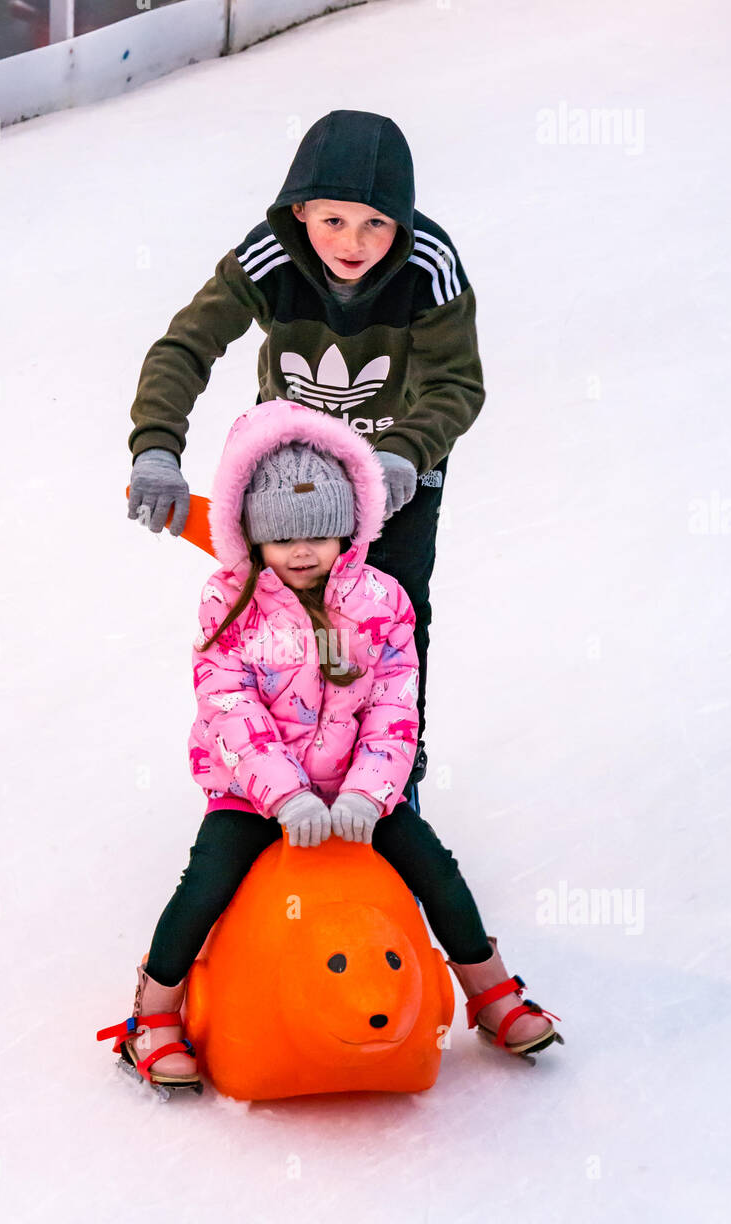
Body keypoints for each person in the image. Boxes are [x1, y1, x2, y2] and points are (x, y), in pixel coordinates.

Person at [97, 402, 561, 1092]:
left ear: (350, 525)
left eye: (320, 533)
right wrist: (282, 795)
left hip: (354, 791)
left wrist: (367, 794)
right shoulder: (229, 603)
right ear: (251, 534)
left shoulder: (382, 601)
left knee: (433, 868)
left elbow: (394, 706)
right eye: (283, 537)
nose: (304, 551)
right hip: (249, 794)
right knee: (206, 884)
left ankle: (489, 992)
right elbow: (230, 707)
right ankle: (154, 1014)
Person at [126, 109, 486, 793]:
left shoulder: (428, 263)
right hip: (293, 470)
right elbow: (186, 347)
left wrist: (407, 454)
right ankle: (275, 763)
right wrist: (157, 449)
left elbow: (456, 384)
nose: (353, 242)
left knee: (391, 612)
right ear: (299, 213)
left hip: (397, 469)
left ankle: (391, 769)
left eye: (376, 224)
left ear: (401, 225)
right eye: (333, 221)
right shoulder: (268, 256)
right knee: (277, 612)